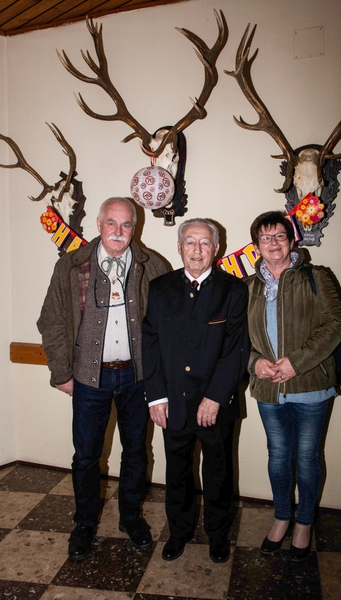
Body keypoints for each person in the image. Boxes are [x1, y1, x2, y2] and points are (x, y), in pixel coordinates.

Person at [37, 197, 167, 560]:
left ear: (135, 228)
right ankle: (84, 523)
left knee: (136, 451)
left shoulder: (153, 266)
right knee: (86, 456)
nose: (119, 231)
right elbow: (51, 321)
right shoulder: (71, 266)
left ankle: (130, 517)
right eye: (112, 222)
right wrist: (61, 372)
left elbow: (166, 327)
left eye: (126, 225)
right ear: (98, 224)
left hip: (137, 379)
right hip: (88, 379)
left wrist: (160, 379)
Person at [142, 218, 249, 563]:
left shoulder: (234, 290)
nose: (197, 250)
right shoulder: (160, 288)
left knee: (218, 472)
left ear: (216, 248)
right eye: (190, 242)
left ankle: (218, 534)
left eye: (205, 243)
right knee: (177, 472)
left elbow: (236, 350)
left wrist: (215, 397)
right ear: (179, 247)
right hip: (172, 401)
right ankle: (179, 532)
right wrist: (156, 396)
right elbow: (150, 344)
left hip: (216, 403)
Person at [246, 211, 341, 561]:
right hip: (268, 388)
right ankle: (281, 517)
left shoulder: (317, 277)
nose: (273, 243)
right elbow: (237, 338)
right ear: (256, 245)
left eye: (279, 236)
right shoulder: (248, 287)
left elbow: (336, 324)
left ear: (291, 241)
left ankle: (304, 522)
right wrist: (254, 362)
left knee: (306, 457)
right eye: (265, 238)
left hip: (311, 385)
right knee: (277, 456)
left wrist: (297, 362)